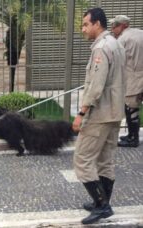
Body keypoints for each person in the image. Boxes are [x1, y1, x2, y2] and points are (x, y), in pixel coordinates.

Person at [72, 8, 126, 224]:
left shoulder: (101, 49)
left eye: (86, 24)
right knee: (105, 160)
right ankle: (101, 202)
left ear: (97, 24)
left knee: (82, 159)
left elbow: (95, 86)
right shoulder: (116, 43)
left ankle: (102, 205)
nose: (83, 29)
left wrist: (81, 113)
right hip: (115, 112)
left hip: (100, 113)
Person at [109, 15, 143, 147]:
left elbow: (118, 61)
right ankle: (131, 135)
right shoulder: (140, 33)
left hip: (133, 78)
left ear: (123, 25)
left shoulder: (122, 40)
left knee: (131, 108)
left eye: (115, 26)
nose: (112, 29)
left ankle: (133, 138)